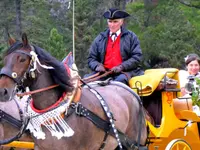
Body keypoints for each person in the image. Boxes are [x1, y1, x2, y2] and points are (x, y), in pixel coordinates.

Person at [87, 8, 144, 85]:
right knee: (87, 82)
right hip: (104, 73)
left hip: (125, 72)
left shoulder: (131, 37)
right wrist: (97, 65)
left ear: (121, 22)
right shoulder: (100, 38)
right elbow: (91, 58)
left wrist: (122, 66)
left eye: (115, 22)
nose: (112, 25)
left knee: (118, 83)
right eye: (110, 22)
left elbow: (137, 57)